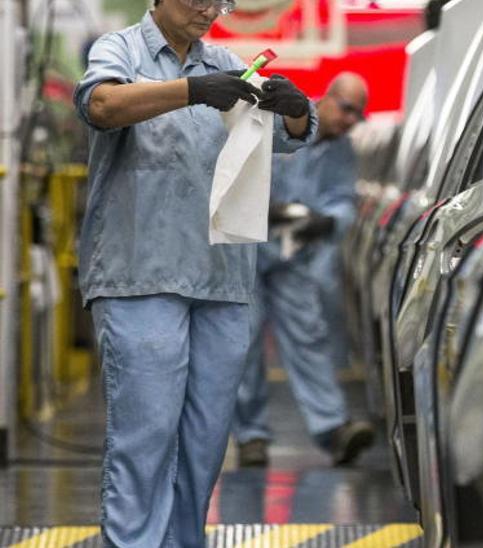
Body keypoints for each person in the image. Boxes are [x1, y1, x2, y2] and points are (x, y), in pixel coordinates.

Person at [74, 0, 315, 544]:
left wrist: (295, 108)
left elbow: (285, 135)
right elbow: (102, 104)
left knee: (205, 444)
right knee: (147, 436)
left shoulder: (226, 61)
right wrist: (190, 92)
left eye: (221, 1)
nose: (212, 10)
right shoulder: (120, 50)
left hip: (220, 280)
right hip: (140, 277)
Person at [233, 73, 375, 468]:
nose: (350, 120)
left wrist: (328, 222)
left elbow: (344, 198)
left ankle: (333, 430)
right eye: (346, 109)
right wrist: (267, 208)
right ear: (327, 98)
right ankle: (251, 436)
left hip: (293, 257)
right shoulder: (285, 122)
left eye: (357, 115)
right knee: (244, 343)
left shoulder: (343, 151)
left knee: (308, 337)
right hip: (247, 252)